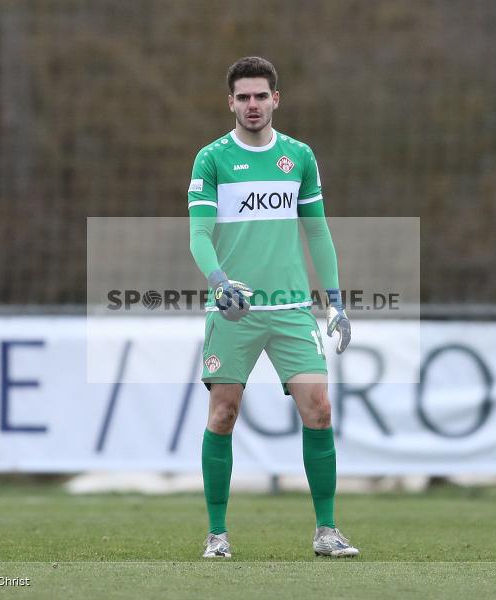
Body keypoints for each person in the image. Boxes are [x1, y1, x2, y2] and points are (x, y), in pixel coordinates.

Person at [187, 56, 357, 559]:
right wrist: (218, 283)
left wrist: (337, 302)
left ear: (276, 99)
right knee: (223, 413)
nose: (253, 105)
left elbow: (318, 231)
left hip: (291, 308)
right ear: (231, 102)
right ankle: (217, 535)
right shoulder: (212, 159)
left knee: (320, 410)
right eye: (243, 97)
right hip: (233, 308)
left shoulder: (299, 157)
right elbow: (198, 234)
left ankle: (326, 531)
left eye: (261, 95)